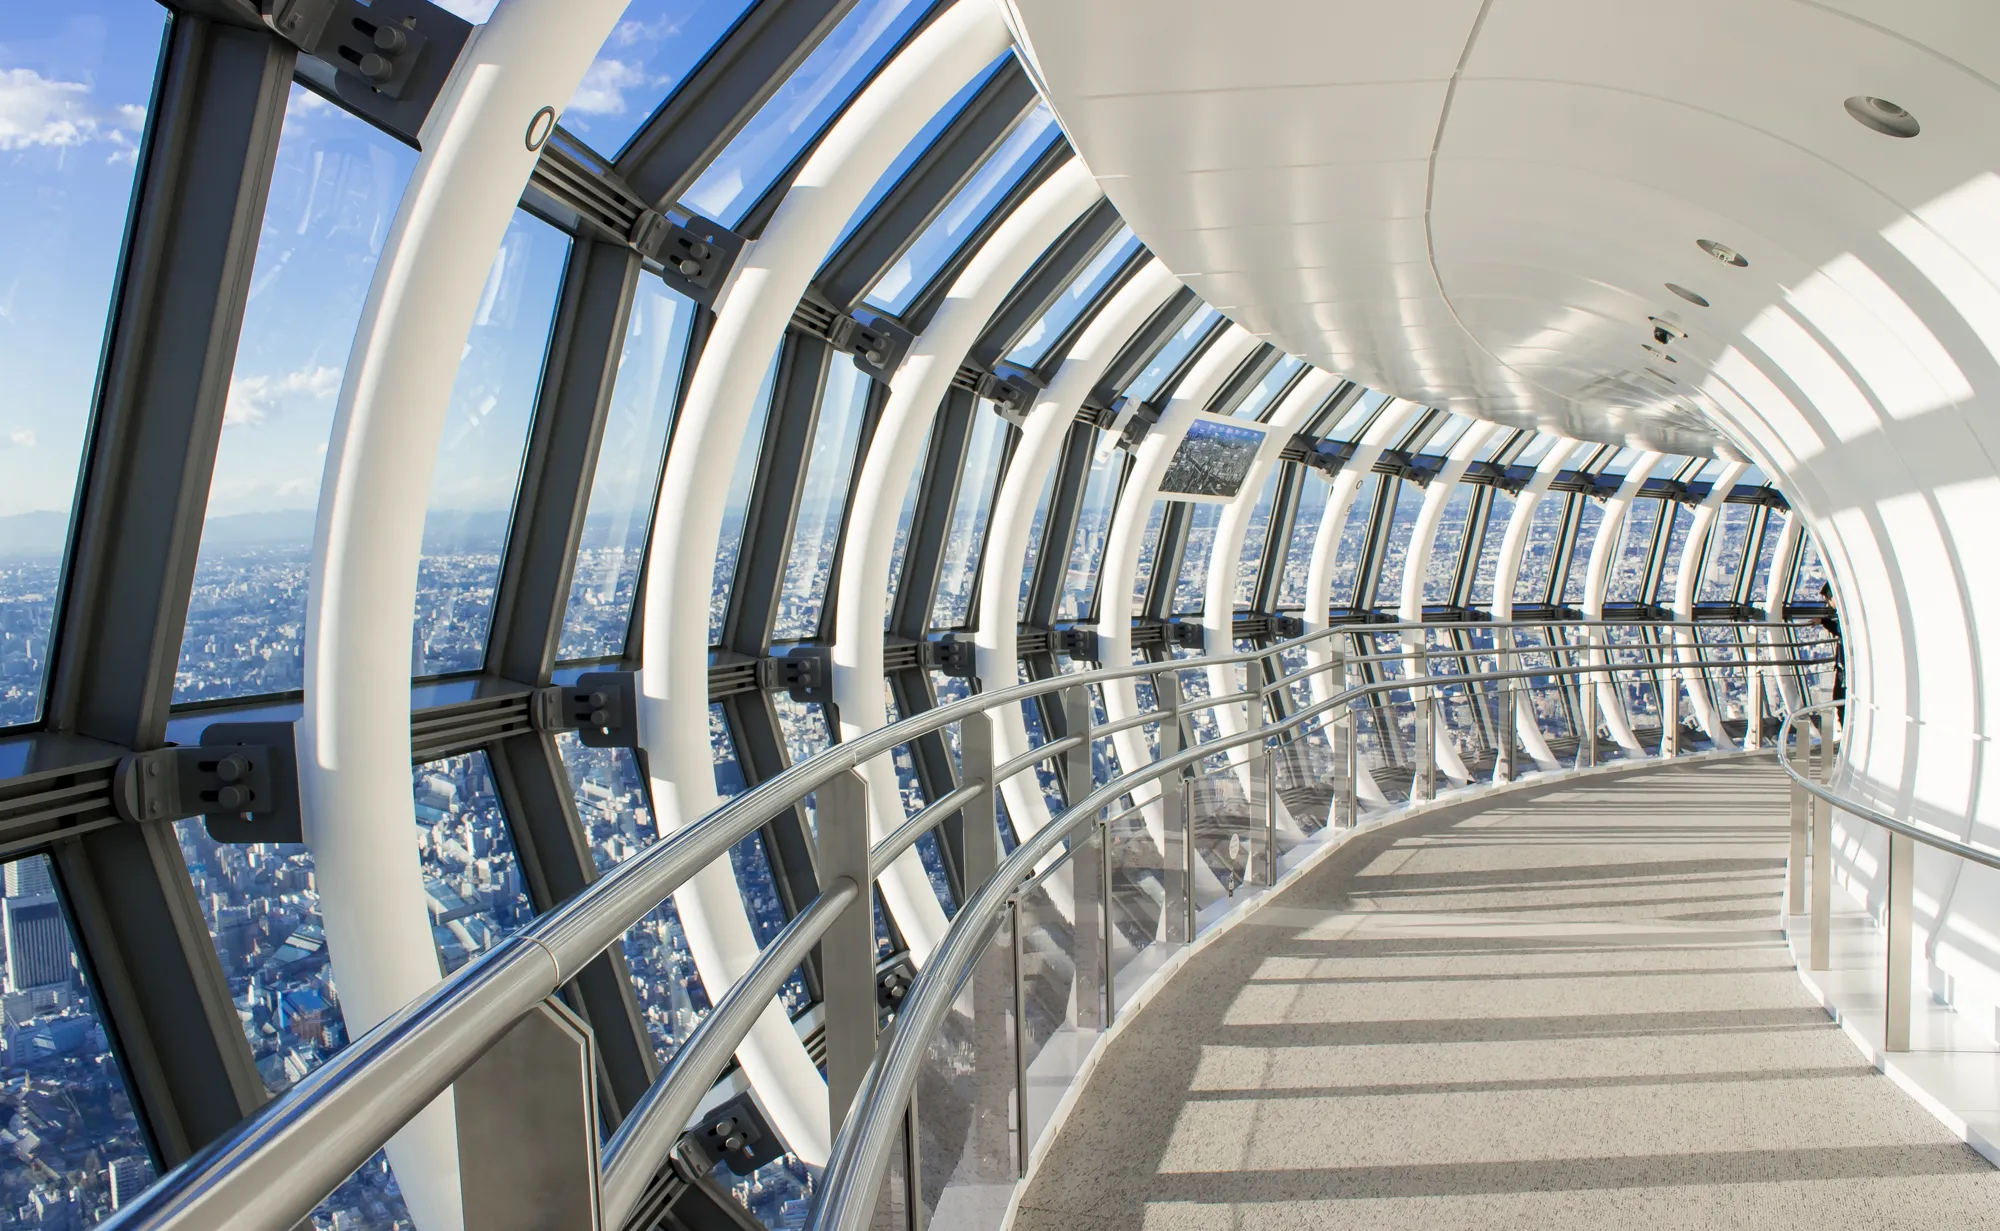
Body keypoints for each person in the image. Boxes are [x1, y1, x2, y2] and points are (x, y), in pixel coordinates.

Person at [1816, 581, 1844, 706]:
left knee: (1839, 700)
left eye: (1828, 599)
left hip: (1843, 668)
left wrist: (1823, 622)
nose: (1828, 603)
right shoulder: (1845, 615)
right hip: (1843, 666)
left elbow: (1840, 631)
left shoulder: (1844, 617)